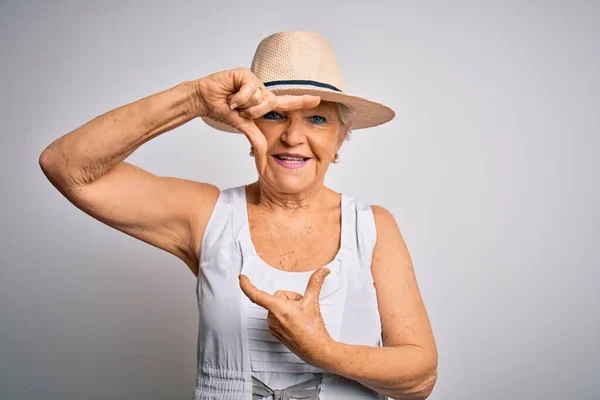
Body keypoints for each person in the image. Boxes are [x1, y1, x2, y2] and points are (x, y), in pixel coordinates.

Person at [39, 31, 437, 399]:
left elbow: (420, 380)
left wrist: (323, 351)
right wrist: (192, 98)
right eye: (274, 115)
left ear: (340, 139)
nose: (293, 137)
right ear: (248, 128)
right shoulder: (206, 215)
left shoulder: (373, 226)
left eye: (317, 118)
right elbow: (66, 165)